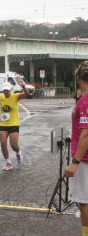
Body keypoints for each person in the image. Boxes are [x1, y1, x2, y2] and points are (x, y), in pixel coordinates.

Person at [64, 61, 88, 236]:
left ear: (80, 78)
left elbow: (86, 134)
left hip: (85, 160)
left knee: (85, 201)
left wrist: (75, 162)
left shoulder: (86, 101)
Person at [0, 77, 28, 171]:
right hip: (3, 125)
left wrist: (23, 86)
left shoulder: (15, 96)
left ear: (10, 90)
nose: (6, 92)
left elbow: (26, 94)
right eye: (4, 91)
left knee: (14, 145)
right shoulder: (0, 97)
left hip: (14, 124)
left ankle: (18, 152)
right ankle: (8, 162)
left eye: (7, 90)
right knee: (3, 144)